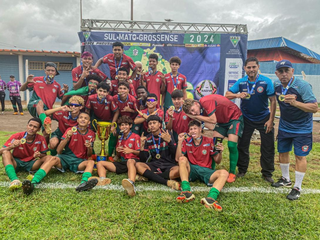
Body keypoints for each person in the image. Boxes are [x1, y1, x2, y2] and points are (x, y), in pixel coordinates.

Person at [271, 60, 318, 200]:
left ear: (292, 71)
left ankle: (297, 187)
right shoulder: (276, 85)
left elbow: (314, 107)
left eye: (287, 70)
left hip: (302, 129)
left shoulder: (302, 86)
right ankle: (286, 179)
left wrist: (295, 103)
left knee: (300, 156)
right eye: (281, 71)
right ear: (276, 74)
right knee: (282, 152)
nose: (284, 74)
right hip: (285, 126)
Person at [21, 112, 99, 195]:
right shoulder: (70, 130)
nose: (83, 119)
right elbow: (58, 151)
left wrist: (89, 147)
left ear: (89, 122)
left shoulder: (92, 134)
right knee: (52, 158)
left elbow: (89, 155)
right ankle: (33, 182)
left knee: (90, 162)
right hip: (65, 158)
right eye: (81, 117)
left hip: (79, 161)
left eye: (85, 118)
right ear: (77, 120)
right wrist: (67, 138)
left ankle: (84, 183)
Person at [225, 57, 276, 183]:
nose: (251, 69)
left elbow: (273, 101)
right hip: (246, 118)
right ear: (245, 69)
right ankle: (242, 170)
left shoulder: (266, 81)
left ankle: (267, 173)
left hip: (264, 118)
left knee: (268, 146)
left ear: (258, 67)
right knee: (242, 145)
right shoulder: (241, 82)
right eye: (249, 67)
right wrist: (237, 95)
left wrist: (271, 120)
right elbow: (227, 95)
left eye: (254, 67)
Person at [183, 94, 243, 183]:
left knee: (231, 145)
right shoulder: (201, 110)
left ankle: (232, 173)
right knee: (215, 144)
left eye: (192, 110)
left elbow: (213, 120)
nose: (193, 113)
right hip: (222, 122)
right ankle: (211, 169)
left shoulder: (205, 101)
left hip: (234, 117)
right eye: (190, 113)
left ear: (196, 103)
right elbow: (211, 126)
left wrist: (195, 117)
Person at [175, 120, 228, 211]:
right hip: (192, 170)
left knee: (224, 173)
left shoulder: (210, 141)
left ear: (200, 129)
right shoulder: (187, 141)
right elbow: (177, 159)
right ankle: (186, 190)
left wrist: (220, 152)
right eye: (191, 129)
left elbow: (217, 161)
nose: (193, 131)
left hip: (206, 171)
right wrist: (180, 142)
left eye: (195, 128)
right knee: (182, 159)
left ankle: (211, 198)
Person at [122, 115, 180, 197]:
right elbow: (143, 159)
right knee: (138, 165)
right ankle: (166, 182)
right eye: (150, 123)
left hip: (169, 165)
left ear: (159, 124)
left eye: (154, 123)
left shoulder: (167, 134)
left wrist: (170, 141)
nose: (152, 125)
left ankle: (150, 176)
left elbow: (175, 154)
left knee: (179, 170)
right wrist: (142, 148)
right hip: (154, 164)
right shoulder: (148, 138)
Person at [0, 118, 53, 191]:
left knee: (50, 158)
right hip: (16, 162)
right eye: (30, 125)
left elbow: (44, 155)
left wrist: (39, 155)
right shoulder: (16, 136)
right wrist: (11, 146)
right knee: (5, 152)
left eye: (35, 127)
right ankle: (14, 180)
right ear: (27, 126)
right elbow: (1, 151)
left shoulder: (41, 138)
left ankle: (34, 181)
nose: (32, 128)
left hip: (32, 164)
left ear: (38, 129)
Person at [92, 116, 141, 192]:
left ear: (130, 126)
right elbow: (118, 156)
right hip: (123, 163)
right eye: (122, 125)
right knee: (100, 163)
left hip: (133, 162)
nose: (124, 127)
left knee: (130, 161)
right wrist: (118, 151)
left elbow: (140, 153)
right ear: (119, 127)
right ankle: (103, 179)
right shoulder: (120, 138)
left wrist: (131, 151)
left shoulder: (136, 136)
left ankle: (131, 182)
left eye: (126, 124)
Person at [20, 62, 69, 135]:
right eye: (48, 70)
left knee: (46, 133)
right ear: (45, 71)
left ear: (55, 72)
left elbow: (63, 99)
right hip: (34, 105)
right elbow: (21, 89)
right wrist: (27, 82)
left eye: (52, 70)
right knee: (40, 102)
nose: (50, 72)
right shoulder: (36, 80)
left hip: (46, 111)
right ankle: (44, 121)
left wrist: (66, 92)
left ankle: (46, 134)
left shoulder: (57, 85)